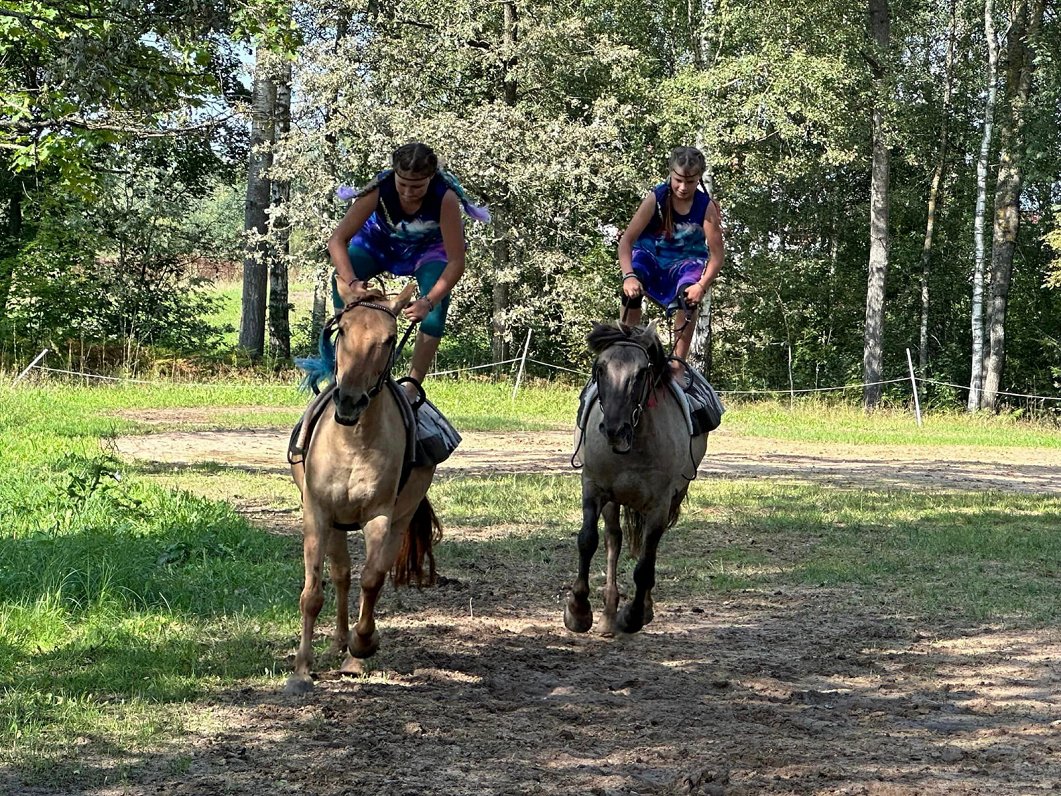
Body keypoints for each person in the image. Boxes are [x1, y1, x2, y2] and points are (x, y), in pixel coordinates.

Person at [327, 142, 490, 399]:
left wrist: (428, 301)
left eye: (417, 186)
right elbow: (337, 240)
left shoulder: (445, 197)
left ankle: (412, 387)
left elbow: (457, 262)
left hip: (428, 250)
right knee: (340, 283)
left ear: (431, 178)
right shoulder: (379, 188)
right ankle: (340, 369)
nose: (408, 192)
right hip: (378, 242)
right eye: (402, 184)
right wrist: (352, 282)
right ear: (394, 175)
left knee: (436, 310)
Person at [617, 146, 724, 374]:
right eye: (678, 180)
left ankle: (677, 366)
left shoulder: (706, 208)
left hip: (685, 262)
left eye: (691, 182)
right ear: (670, 173)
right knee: (633, 286)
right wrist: (628, 277)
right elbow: (626, 242)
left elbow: (717, 257)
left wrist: (701, 286)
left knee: (689, 297)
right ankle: (627, 351)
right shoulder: (655, 198)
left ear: (699, 179)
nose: (683, 188)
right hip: (651, 255)